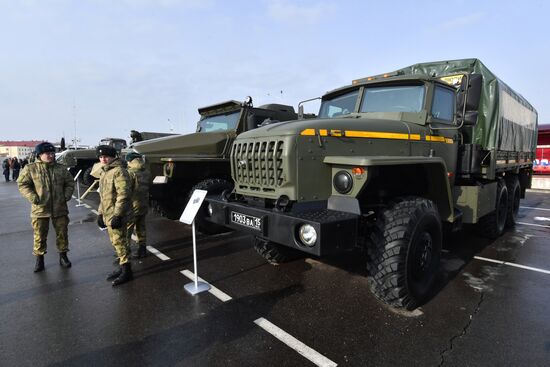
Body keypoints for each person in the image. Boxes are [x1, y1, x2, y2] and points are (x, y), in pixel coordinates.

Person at [17, 142, 75, 272]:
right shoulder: (30, 168)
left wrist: (66, 195)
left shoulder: (61, 168)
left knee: (62, 234)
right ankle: (39, 259)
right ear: (39, 155)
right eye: (47, 153)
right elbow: (22, 184)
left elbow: (70, 183)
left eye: (52, 153)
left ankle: (63, 256)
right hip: (40, 209)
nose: (50, 156)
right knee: (39, 235)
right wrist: (32, 197)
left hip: (59, 208)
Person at [96, 145, 133, 286]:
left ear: (113, 157)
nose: (103, 159)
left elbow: (123, 195)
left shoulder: (119, 172)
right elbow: (103, 196)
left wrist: (117, 215)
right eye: (100, 157)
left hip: (118, 215)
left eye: (106, 156)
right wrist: (100, 213)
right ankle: (122, 267)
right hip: (108, 214)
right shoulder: (105, 172)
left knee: (120, 242)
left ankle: (126, 271)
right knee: (116, 243)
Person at [125, 152, 150, 258]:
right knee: (141, 227)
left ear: (130, 161)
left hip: (132, 205)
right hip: (144, 203)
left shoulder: (130, 173)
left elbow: (126, 190)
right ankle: (142, 249)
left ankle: (125, 252)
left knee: (127, 229)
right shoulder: (147, 171)